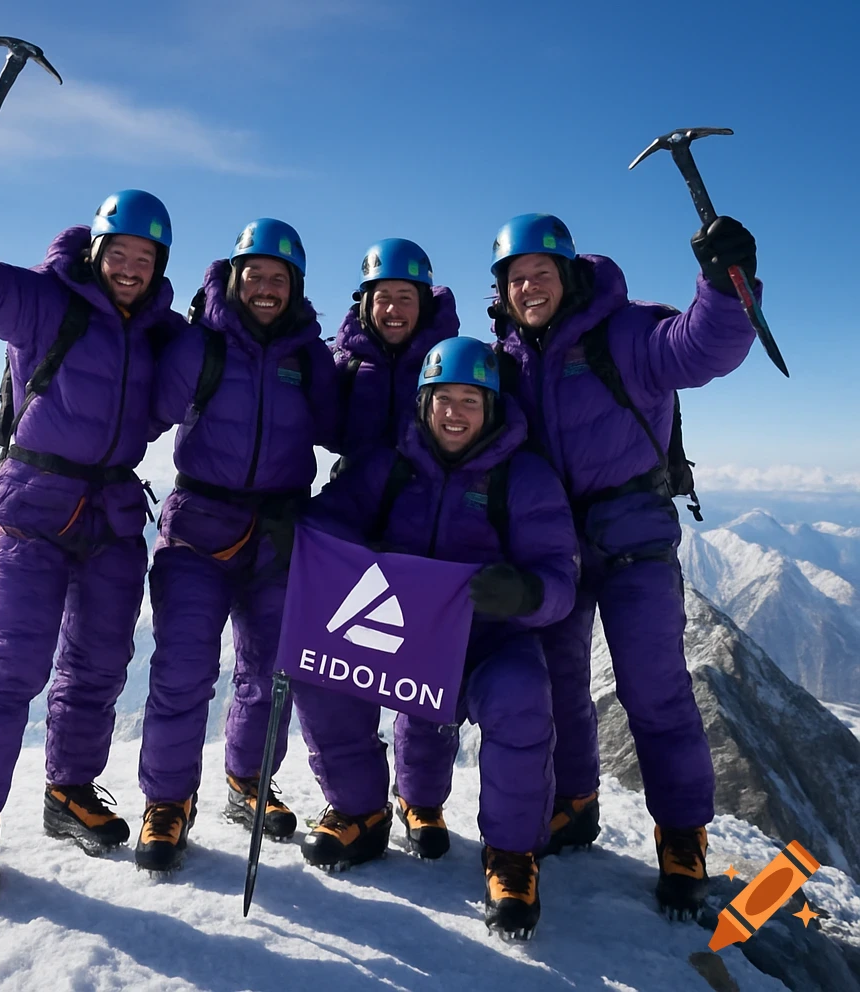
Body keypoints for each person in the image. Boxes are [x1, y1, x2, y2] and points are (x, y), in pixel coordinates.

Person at [0, 137, 183, 906]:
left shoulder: (162, 334)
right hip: (34, 503)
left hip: (109, 511)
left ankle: (68, 790)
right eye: (122, 252)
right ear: (99, 249)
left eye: (148, 257)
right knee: (8, 667)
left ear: (161, 266)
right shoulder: (48, 302)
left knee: (99, 666)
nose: (133, 267)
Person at [488, 211, 759, 917]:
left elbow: (703, 349)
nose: (528, 287)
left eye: (540, 273)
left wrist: (723, 283)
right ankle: (572, 805)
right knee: (558, 689)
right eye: (516, 278)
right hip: (552, 541)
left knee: (655, 688)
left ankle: (681, 835)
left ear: (570, 274)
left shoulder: (628, 331)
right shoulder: (509, 358)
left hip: (633, 534)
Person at [292, 336, 580, 939]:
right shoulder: (388, 465)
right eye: (442, 398)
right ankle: (361, 810)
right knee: (320, 675)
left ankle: (510, 855)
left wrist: (526, 593)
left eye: (471, 399)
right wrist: (314, 538)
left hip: (486, 643)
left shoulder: (523, 478)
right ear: (423, 405)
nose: (455, 412)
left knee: (521, 698)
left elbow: (560, 573)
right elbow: (332, 516)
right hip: (400, 636)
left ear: (493, 407)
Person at [136, 219, 339, 872]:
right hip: (199, 524)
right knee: (182, 669)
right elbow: (139, 412)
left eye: (279, 279)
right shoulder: (200, 346)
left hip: (279, 530)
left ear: (296, 288)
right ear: (234, 276)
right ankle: (166, 804)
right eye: (255, 274)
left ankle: (247, 781)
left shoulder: (310, 359)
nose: (266, 288)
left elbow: (350, 429)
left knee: (271, 670)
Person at [331, 238, 458, 470]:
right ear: (367, 305)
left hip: (426, 498)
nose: (393, 309)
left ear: (423, 305)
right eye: (383, 298)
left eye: (405, 298)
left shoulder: (451, 365)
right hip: (353, 494)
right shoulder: (343, 364)